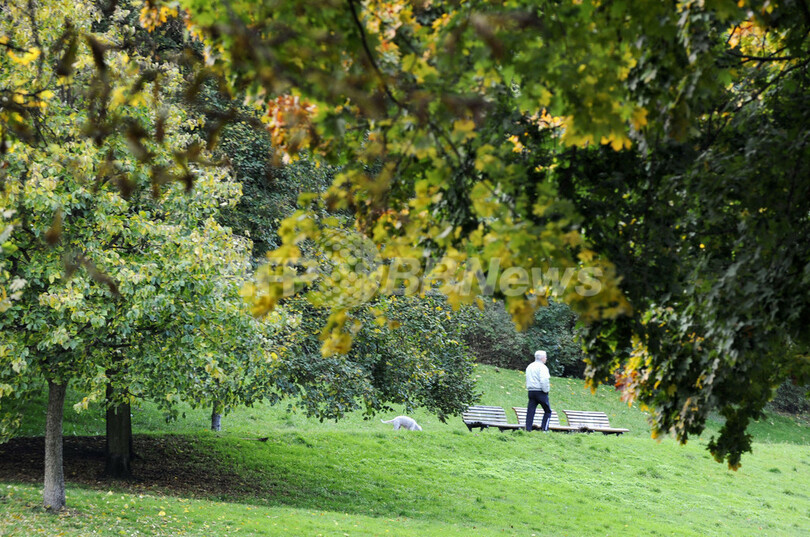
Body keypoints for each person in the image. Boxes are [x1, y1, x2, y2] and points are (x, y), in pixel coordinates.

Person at [525, 349, 551, 432]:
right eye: (545, 357)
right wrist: (546, 390)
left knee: (531, 411)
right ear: (542, 358)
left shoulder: (530, 366)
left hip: (531, 391)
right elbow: (544, 380)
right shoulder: (543, 367)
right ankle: (544, 429)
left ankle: (528, 429)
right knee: (547, 411)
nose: (546, 359)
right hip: (540, 391)